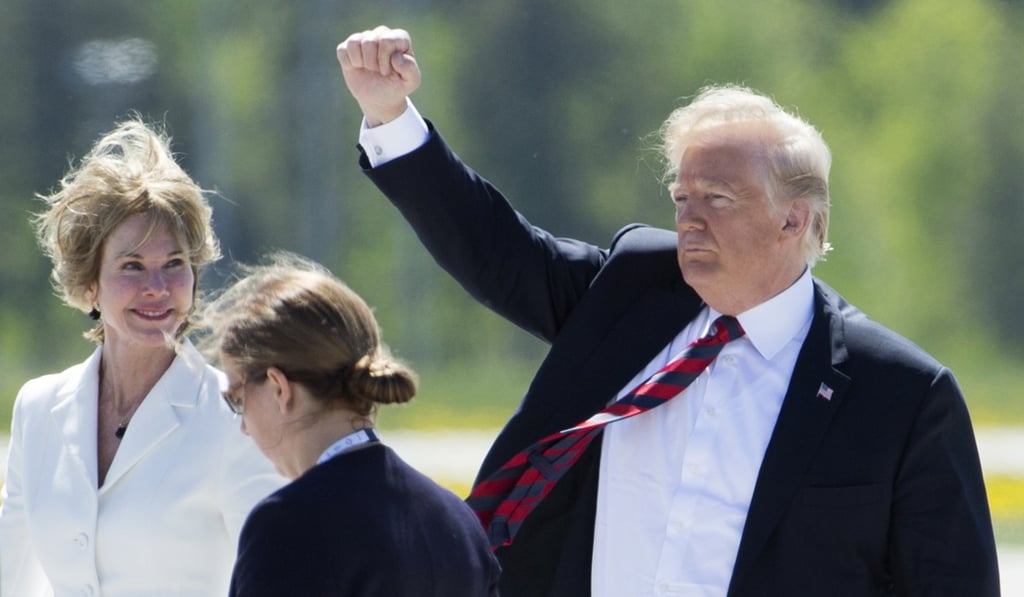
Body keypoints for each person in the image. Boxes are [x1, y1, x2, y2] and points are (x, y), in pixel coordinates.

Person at [336, 26, 1001, 597]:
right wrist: (391, 115)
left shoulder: (902, 393)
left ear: (793, 220)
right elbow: (496, 251)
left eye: (718, 197)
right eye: (682, 198)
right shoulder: (632, 292)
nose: (690, 220)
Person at [0, 118, 287, 596]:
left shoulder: (239, 414)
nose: (156, 288)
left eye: (174, 264)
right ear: (88, 282)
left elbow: (274, 582)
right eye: (131, 266)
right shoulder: (37, 407)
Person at [197, 253, 501, 597]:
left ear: (279, 388)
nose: (244, 428)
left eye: (238, 399)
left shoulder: (289, 525)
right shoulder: (456, 519)